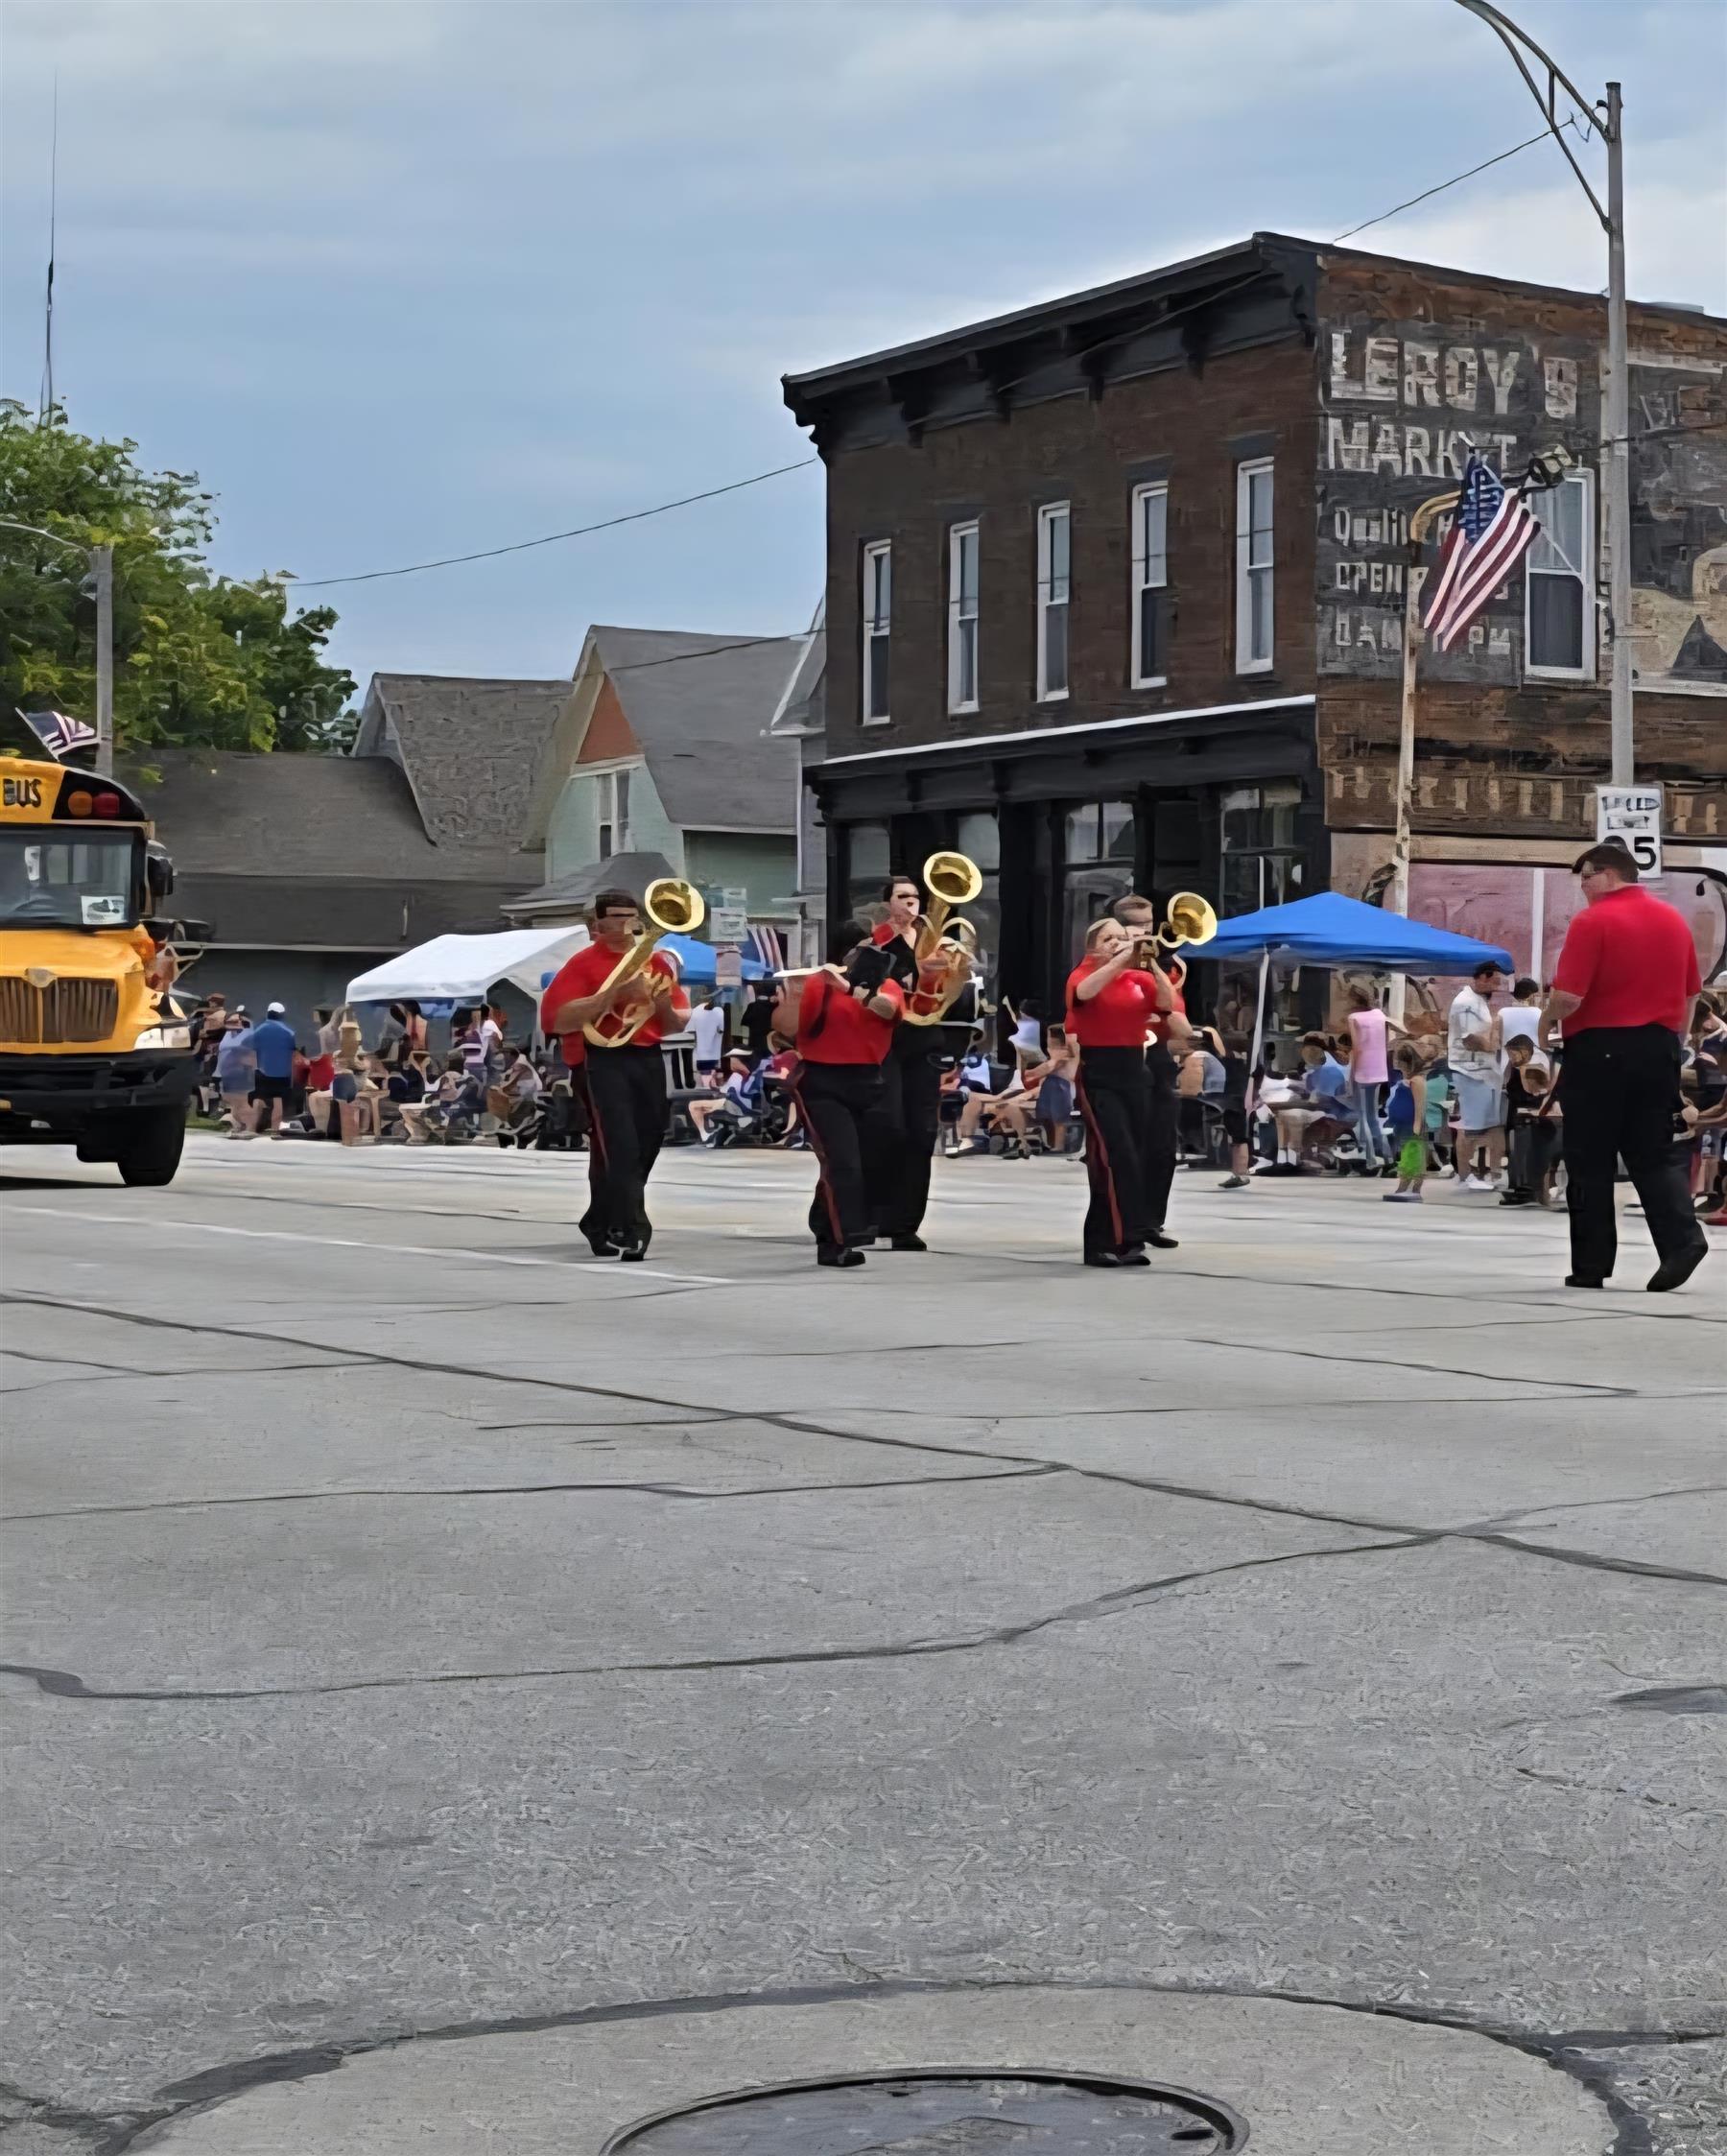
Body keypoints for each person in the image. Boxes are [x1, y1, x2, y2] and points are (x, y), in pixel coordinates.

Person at [1541, 841, 1707, 1292]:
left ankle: (1591, 1265)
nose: (1583, 886)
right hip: (1658, 1047)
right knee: (1652, 1153)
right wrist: (1674, 1041)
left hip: (1600, 1048)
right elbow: (1692, 994)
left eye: (1586, 876)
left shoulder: (1593, 920)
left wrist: (1546, 1020)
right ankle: (1682, 1242)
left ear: (1609, 874)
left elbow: (1570, 996)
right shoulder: (1673, 920)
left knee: (1590, 1158)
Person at [540, 888, 690, 1261]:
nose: (626, 924)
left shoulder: (656, 962)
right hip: (599, 1059)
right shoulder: (582, 964)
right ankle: (632, 1228)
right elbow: (558, 1019)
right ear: (598, 924)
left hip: (647, 1055)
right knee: (618, 1143)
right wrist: (614, 995)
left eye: (630, 916)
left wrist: (658, 1002)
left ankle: (600, 1219)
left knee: (648, 1138)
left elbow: (673, 1024)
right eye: (617, 917)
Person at [865, 869, 975, 1253]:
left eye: (915, 897)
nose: (910, 903)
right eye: (902, 897)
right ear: (887, 904)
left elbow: (951, 998)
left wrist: (954, 974)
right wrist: (916, 975)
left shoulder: (936, 943)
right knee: (887, 1126)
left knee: (921, 1132)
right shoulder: (876, 944)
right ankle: (870, 1212)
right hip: (888, 1041)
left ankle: (905, 1224)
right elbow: (867, 989)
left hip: (925, 1040)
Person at [790, 919, 904, 1267]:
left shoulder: (887, 985)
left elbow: (890, 1011)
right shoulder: (817, 984)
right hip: (823, 1079)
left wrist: (851, 988)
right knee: (842, 1161)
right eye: (862, 947)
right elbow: (794, 1028)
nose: (870, 953)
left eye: (874, 947)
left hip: (868, 1079)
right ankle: (840, 1241)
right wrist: (797, 993)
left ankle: (825, 1223)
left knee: (869, 1160)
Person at [1066, 915, 1171, 1267]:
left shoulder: (1135, 978)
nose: (1117, 943)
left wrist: (1154, 964)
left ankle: (1130, 1239)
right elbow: (1084, 994)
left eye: (1122, 937)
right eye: (1109, 938)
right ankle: (1099, 1242)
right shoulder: (1084, 973)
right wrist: (1117, 961)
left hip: (1134, 1069)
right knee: (1113, 1157)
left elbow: (1167, 1004)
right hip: (1100, 1071)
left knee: (1136, 1156)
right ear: (1093, 945)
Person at [1109, 893, 1188, 1245]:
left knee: (1162, 1144)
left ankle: (1152, 1222)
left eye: (1149, 925)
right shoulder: (1110, 964)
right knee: (1130, 1146)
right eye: (1138, 927)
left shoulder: (1167, 966)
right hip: (1123, 1055)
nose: (1147, 934)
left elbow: (1176, 1015)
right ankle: (1127, 1223)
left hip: (1157, 1056)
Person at [1447, 960, 1508, 1191]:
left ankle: (1495, 1173)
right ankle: (1464, 1176)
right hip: (1470, 1071)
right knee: (1471, 1127)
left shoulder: (1479, 1001)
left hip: (1487, 1072)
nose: (1496, 986)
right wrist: (1493, 1045)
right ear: (1482, 977)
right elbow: (1470, 1039)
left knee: (1494, 1126)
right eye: (1494, 980)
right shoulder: (1465, 1003)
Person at [1266, 1032, 1351, 1169]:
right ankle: (1301, 1153)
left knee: (1289, 1117)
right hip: (1340, 1109)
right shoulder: (1334, 1065)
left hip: (1332, 1112)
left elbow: (1314, 1097)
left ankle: (1293, 1153)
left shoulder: (1319, 1072)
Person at [1500, 1034, 1559, 1208]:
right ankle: (1518, 1186)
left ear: (1525, 1052)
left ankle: (1528, 1188)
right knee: (1516, 1152)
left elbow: (1538, 1092)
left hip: (1531, 1116)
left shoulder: (1535, 1067)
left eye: (1513, 1054)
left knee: (1526, 1152)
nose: (1511, 1058)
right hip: (1517, 1114)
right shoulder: (1516, 1067)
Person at [1344, 984, 1395, 1173]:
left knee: (1363, 1115)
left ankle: (1371, 1157)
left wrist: (1351, 1075)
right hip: (1379, 1068)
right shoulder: (1379, 1015)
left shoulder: (1354, 1018)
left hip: (1363, 1068)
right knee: (1373, 1114)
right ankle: (1386, 1154)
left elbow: (1356, 1047)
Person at [1383, 1041, 1429, 1202]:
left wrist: (1417, 1124)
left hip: (1411, 1125)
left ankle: (1412, 1187)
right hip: (1401, 1124)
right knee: (1406, 1154)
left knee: (1413, 1154)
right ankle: (1405, 1185)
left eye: (1400, 1061)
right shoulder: (1406, 1080)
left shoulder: (1417, 1081)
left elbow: (1419, 1105)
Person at [249, 1001, 297, 1137]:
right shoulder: (289, 1032)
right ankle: (275, 1130)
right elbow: (293, 1055)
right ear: (282, 1015)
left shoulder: (258, 1030)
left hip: (262, 1070)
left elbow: (253, 1052)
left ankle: (252, 1129)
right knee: (278, 1101)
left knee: (258, 1099)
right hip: (283, 1072)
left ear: (268, 1013)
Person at [1216, 1032, 1254, 1190]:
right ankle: (1238, 1173)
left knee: (1239, 1140)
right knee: (1239, 1139)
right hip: (1241, 1102)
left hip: (1235, 1103)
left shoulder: (1230, 1062)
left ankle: (1240, 1174)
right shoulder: (1247, 1061)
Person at [214, 1014, 257, 1137]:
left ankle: (250, 1128)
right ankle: (239, 1125)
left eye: (235, 1021)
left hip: (241, 1071)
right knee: (230, 1100)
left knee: (241, 1102)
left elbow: (251, 1054)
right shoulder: (227, 1035)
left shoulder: (249, 1034)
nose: (232, 1024)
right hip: (226, 1072)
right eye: (229, 1021)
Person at [1497, 977, 1543, 1057]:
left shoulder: (1502, 1012)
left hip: (1508, 1056)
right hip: (1534, 1057)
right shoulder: (1538, 1012)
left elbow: (1499, 1039)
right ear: (1531, 996)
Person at [689, 995, 727, 1079]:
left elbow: (691, 1030)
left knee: (704, 1075)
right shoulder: (719, 1012)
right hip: (713, 1053)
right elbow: (721, 1030)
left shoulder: (696, 1011)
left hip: (700, 1054)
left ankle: (707, 1083)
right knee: (710, 1074)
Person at [739, 982, 777, 1063]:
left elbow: (744, 1022)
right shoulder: (776, 1008)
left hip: (754, 1044)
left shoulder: (753, 1006)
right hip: (771, 1045)